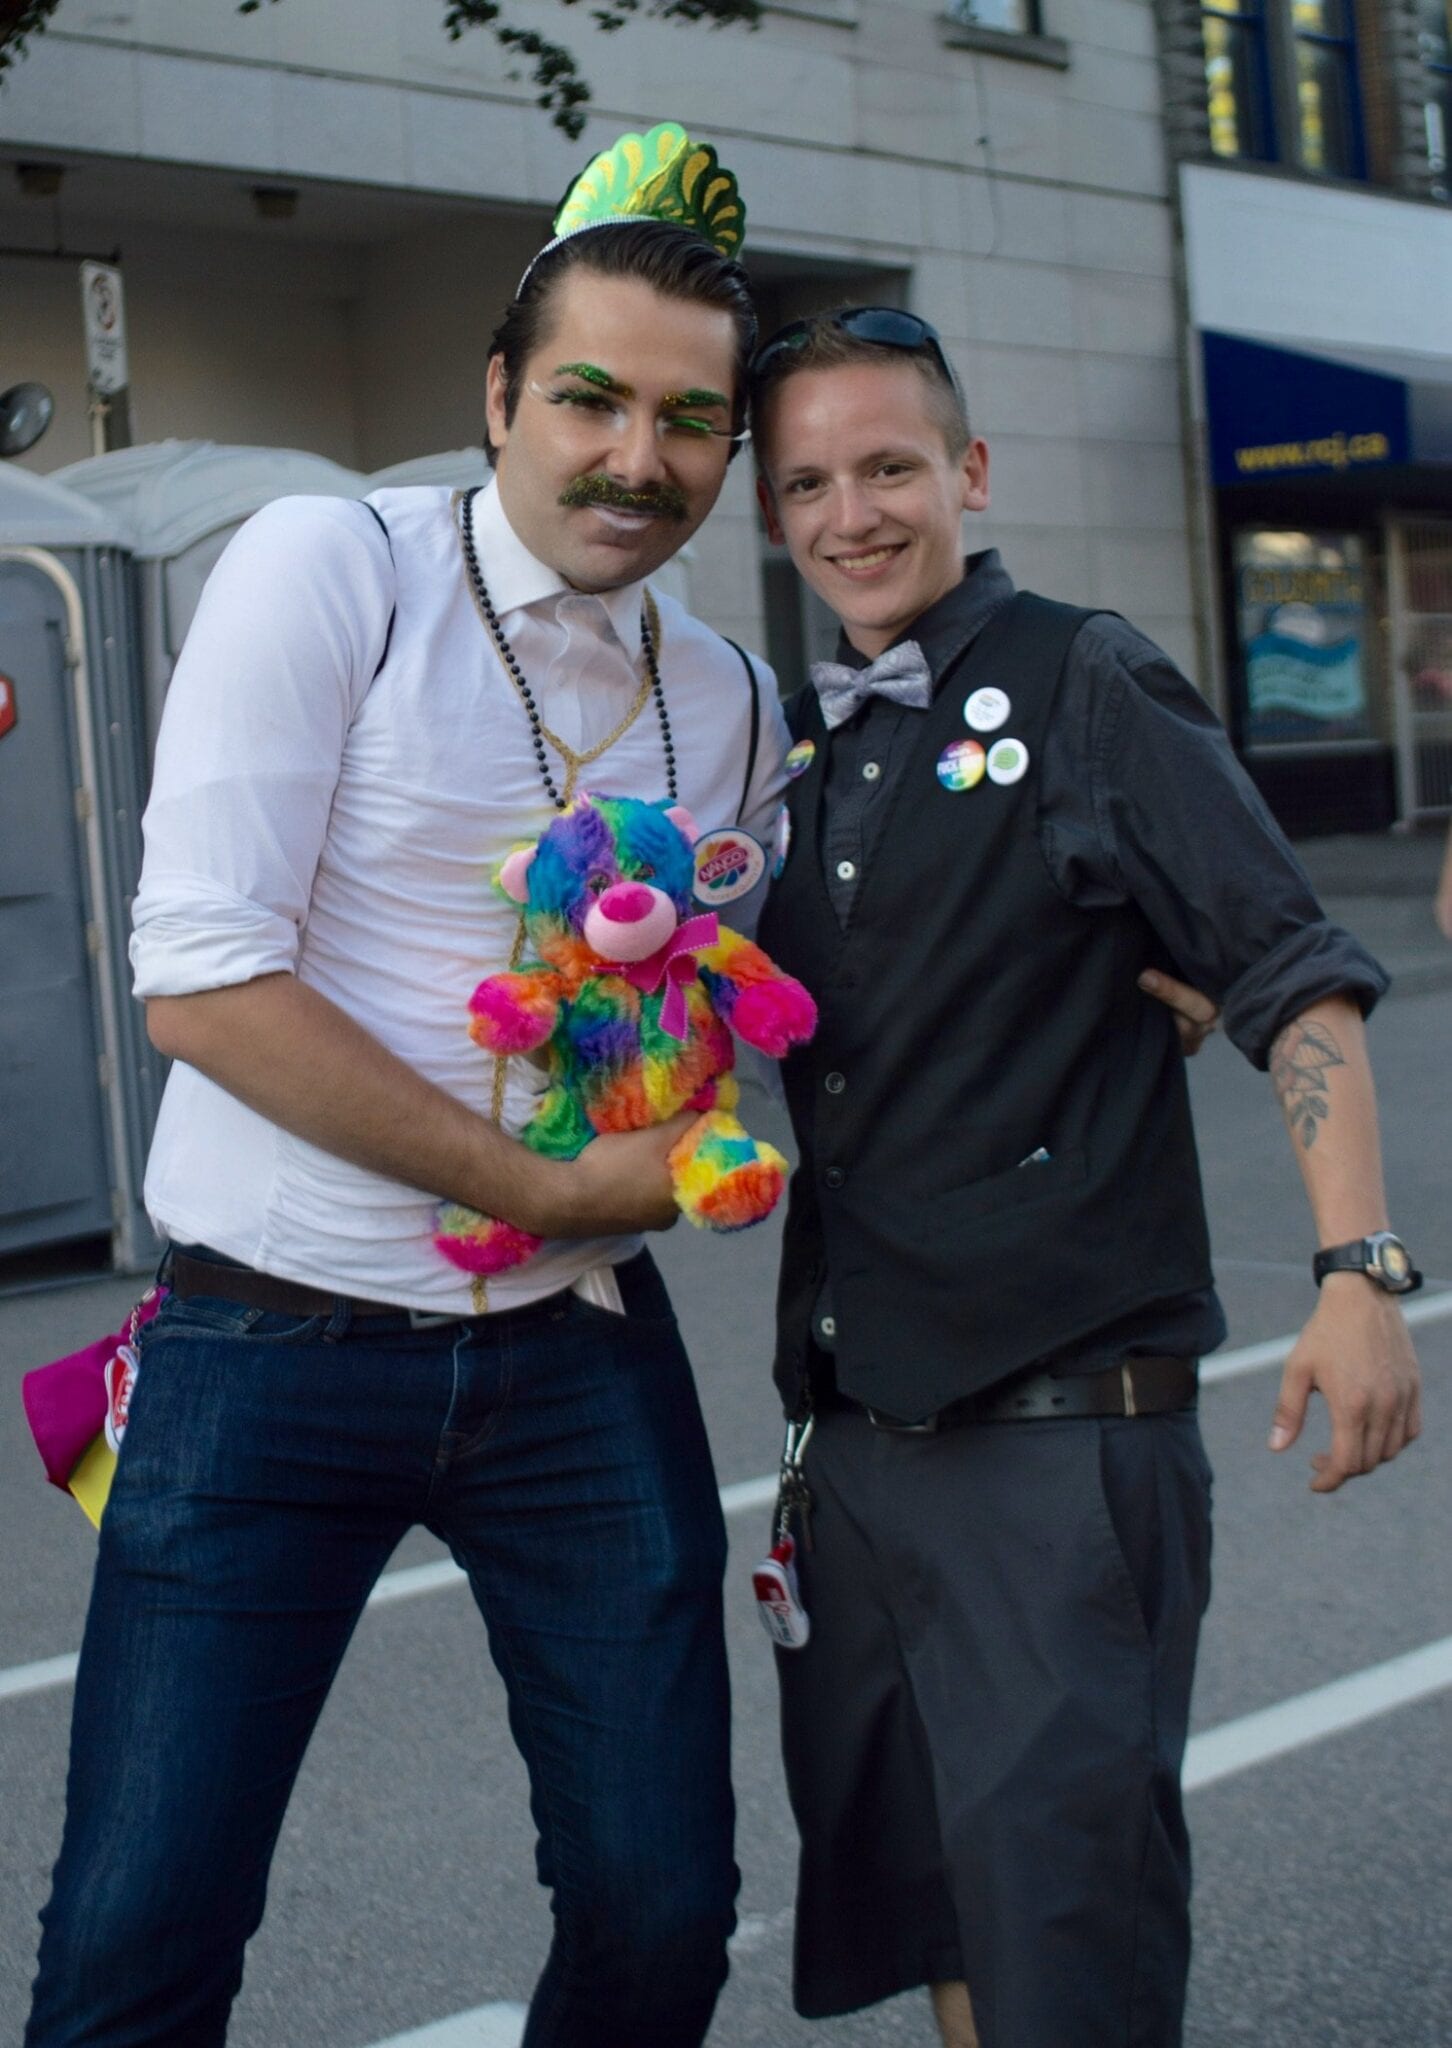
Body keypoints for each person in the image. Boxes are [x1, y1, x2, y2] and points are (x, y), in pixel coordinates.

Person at [25, 126, 782, 2048]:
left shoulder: (729, 695)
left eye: (691, 420)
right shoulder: (333, 564)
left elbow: (721, 992)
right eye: (592, 398)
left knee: (662, 1908)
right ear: (500, 396)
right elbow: (202, 983)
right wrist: (540, 1187)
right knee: (139, 1943)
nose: (637, 458)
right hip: (265, 1350)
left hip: (575, 1357)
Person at [747, 307, 1424, 2048]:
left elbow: (1290, 972)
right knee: (946, 1914)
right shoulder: (798, 748)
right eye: (808, 483)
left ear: (968, 471)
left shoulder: (1086, 679)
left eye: (889, 467)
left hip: (1056, 1438)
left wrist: (1358, 1271)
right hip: (860, 1442)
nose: (851, 515)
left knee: (1068, 1953)